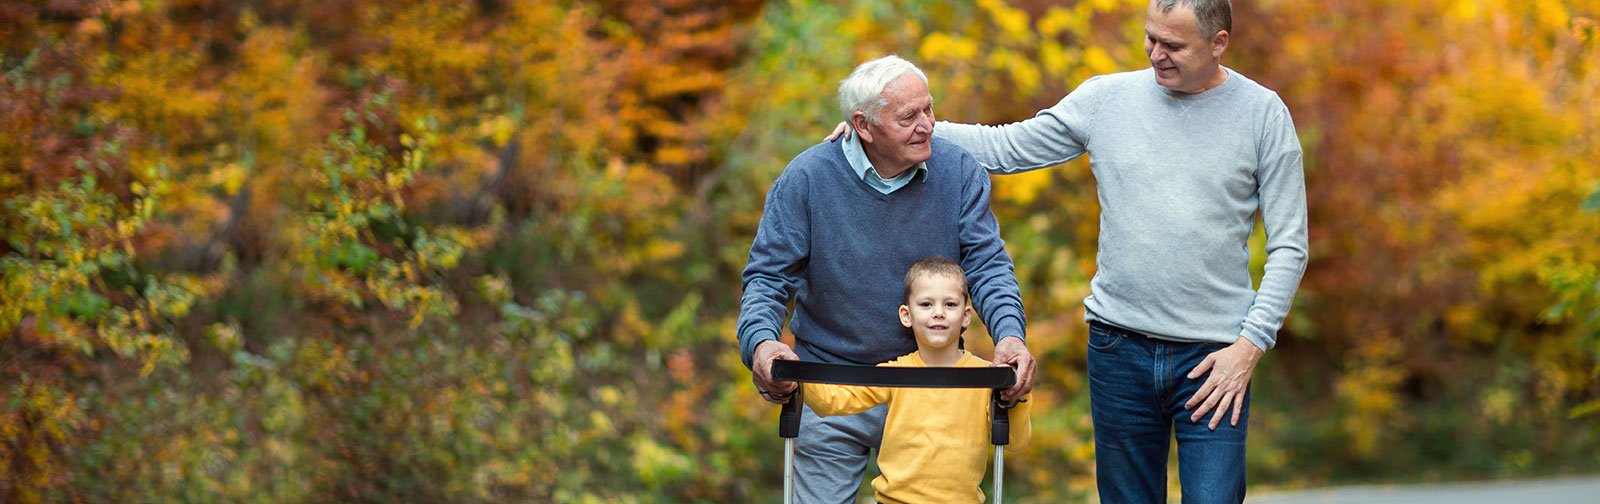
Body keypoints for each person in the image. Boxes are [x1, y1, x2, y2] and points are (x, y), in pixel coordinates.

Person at [827, 1, 1307, 502]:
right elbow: (1005, 148)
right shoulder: (1107, 99)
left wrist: (1250, 346)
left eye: (1174, 45)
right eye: (1151, 38)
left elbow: (1290, 245)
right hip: (1119, 348)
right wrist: (885, 130)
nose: (1156, 54)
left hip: (1215, 358)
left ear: (1219, 43)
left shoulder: (1262, 114)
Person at [737, 55, 1037, 502]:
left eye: (929, 109)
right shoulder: (806, 178)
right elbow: (767, 278)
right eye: (908, 117)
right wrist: (762, 343)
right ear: (863, 124)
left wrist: (1010, 336)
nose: (928, 125)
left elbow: (988, 265)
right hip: (830, 383)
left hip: (932, 385)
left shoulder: (958, 173)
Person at [803, 257, 1031, 504]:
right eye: (926, 304)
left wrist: (1016, 394)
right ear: (906, 315)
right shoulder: (896, 373)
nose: (939, 313)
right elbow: (834, 402)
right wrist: (797, 379)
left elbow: (1015, 442)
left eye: (950, 304)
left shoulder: (985, 377)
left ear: (966, 316)